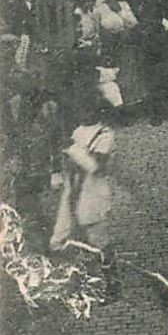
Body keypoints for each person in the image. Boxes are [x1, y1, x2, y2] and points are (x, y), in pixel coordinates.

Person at [51, 96, 121, 296]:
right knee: (59, 238)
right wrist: (57, 173)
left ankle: (112, 286)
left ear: (98, 112)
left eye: (87, 109)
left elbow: (96, 167)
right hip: (72, 193)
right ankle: (74, 282)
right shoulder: (78, 131)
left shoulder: (105, 135)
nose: (83, 113)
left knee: (98, 241)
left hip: (93, 195)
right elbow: (66, 159)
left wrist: (73, 150)